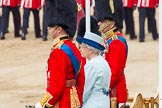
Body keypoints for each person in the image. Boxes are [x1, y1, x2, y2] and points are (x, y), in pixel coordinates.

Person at [25, 0, 85, 108]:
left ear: (59, 29)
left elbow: (56, 86)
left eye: (51, 26)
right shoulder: (73, 47)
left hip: (62, 102)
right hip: (74, 99)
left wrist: (43, 104)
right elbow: (81, 80)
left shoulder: (58, 52)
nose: (48, 28)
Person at [94, 0, 129, 107]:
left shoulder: (116, 42)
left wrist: (100, 88)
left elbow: (115, 72)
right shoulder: (109, 40)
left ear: (112, 23)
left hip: (114, 92)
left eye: (103, 21)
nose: (99, 23)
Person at [77, 32, 111, 108]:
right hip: (104, 103)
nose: (80, 49)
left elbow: (85, 89)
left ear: (91, 50)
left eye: (83, 47)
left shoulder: (92, 65)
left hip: (92, 104)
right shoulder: (103, 62)